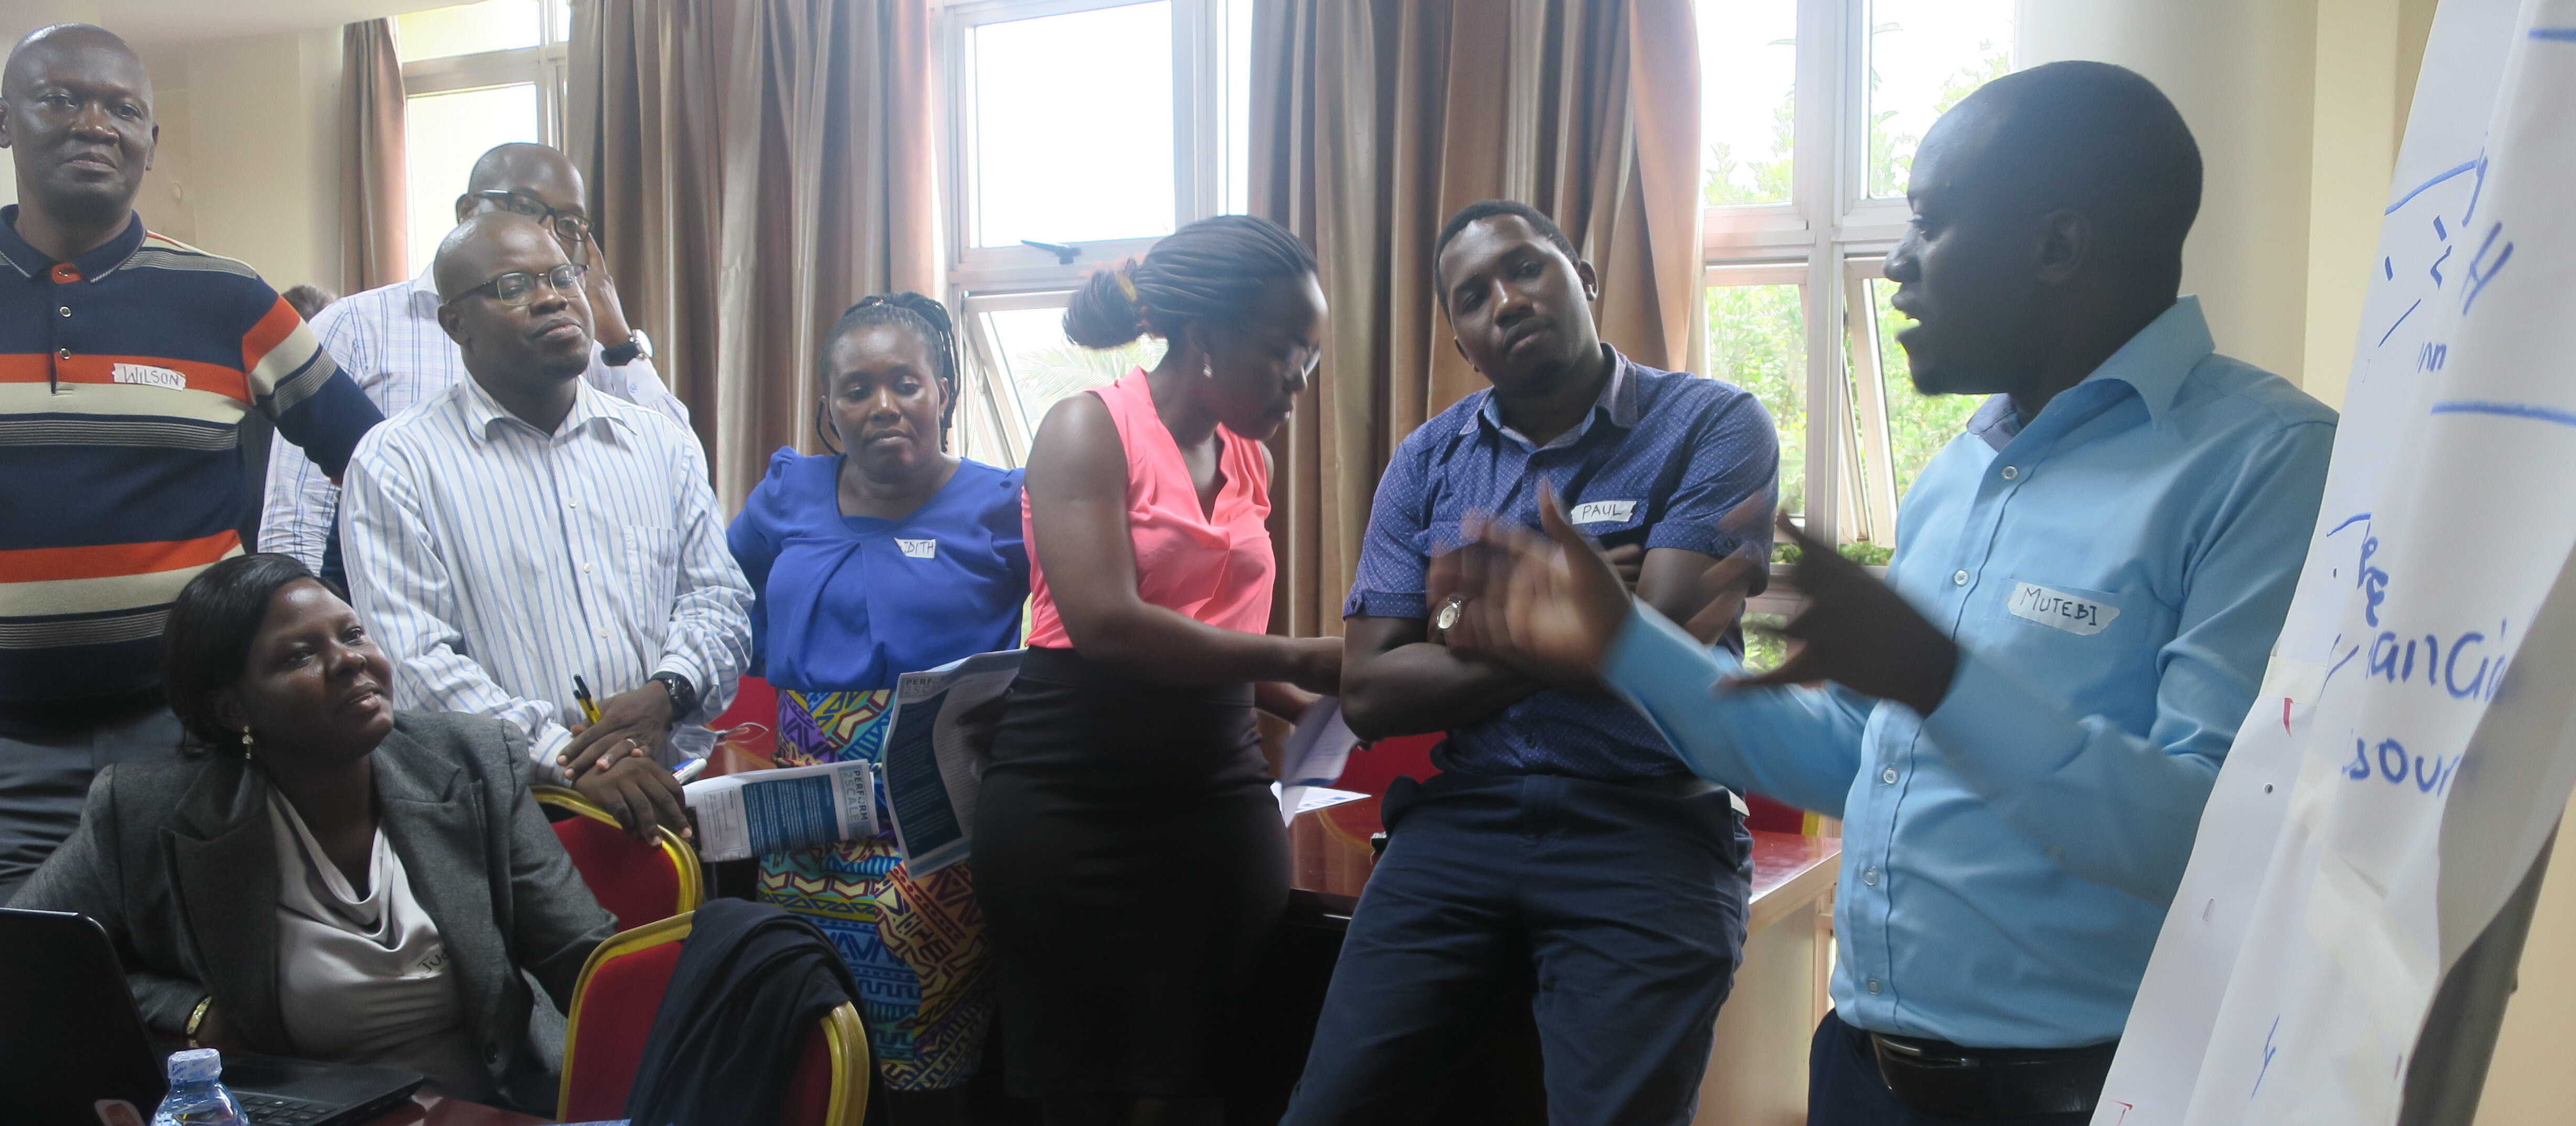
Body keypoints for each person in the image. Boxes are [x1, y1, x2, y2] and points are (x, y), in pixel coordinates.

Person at [1427, 63, 2337, 1126]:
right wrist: (1622, 640)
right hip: (1863, 1069)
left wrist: (1937, 676)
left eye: (1931, 224)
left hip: (2079, 1090)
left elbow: (2209, 840)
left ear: (2057, 246)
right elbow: (1842, 756)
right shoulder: (1965, 465)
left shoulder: (2266, 463)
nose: (1898, 264)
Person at [1277, 201, 1777, 1126]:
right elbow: (1376, 690)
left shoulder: (1712, 425)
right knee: (1327, 1111)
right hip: (1459, 823)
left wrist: (1461, 620)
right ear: (1463, 342)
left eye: (1525, 269)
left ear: (1582, 278)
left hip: (1649, 826)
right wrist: (1586, 614)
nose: (1504, 301)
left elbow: (1658, 646)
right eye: (1472, 297)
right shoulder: (1428, 459)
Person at [0, 24, 382, 905]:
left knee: (212, 1006)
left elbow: (380, 465)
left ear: (150, 140)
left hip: (193, 744)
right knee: (2, 1016)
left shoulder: (228, 298)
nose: (95, 125)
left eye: (124, 109)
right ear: (2, 121)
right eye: (61, 99)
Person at [14, 553, 617, 1116]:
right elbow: (19, 956)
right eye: (299, 654)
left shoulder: (474, 759)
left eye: (352, 634)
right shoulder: (149, 812)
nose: (349, 659)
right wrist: (193, 1010)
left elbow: (582, 955)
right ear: (233, 710)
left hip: (493, 1109)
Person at [969, 215, 1342, 1126]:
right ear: (1207, 337)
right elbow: (1109, 627)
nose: (1301, 375)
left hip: (1216, 806)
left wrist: (1329, 708)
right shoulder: (1083, 430)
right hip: (1070, 806)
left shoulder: (1246, 455)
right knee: (1078, 1093)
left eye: (1311, 354)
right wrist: (1308, 656)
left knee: (1201, 1085)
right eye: (1284, 348)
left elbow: (1216, 638)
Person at [344, 210, 747, 841]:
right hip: (506, 823)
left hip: (674, 799)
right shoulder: (397, 460)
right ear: (455, 323)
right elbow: (416, 661)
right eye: (512, 287)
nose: (552, 297)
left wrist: (667, 691)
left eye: (563, 276)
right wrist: (568, 756)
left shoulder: (661, 442)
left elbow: (717, 600)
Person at [724, 291, 1025, 1120]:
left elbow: (1081, 633)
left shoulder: (1007, 503)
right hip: (799, 839)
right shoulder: (789, 490)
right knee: (810, 1059)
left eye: (906, 382)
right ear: (827, 408)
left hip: (935, 850)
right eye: (856, 389)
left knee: (925, 1080)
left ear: (944, 394)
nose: (882, 405)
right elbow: (719, 603)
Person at [262, 142, 688, 591]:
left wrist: (619, 342)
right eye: (526, 206)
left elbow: (677, 466)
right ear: (468, 211)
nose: (549, 233)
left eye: (569, 224)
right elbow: (297, 514)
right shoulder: (358, 326)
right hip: (391, 613)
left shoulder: (570, 337)